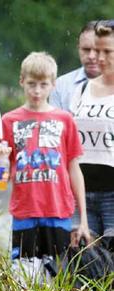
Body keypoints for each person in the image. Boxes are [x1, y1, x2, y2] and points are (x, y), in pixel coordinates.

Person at [2, 52, 90, 283]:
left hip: (58, 210)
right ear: (22, 81)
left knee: (57, 280)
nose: (37, 91)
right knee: (24, 280)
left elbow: (73, 168)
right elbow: (2, 176)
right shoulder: (9, 121)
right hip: (25, 211)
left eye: (43, 85)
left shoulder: (64, 120)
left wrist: (83, 220)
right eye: (31, 84)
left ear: (53, 84)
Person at [70, 20, 114, 251]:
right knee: (86, 261)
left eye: (108, 52)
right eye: (98, 51)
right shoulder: (81, 89)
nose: (100, 57)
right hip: (83, 192)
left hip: (112, 191)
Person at [50, 21, 100, 112]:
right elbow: (55, 123)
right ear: (78, 48)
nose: (91, 56)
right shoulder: (61, 85)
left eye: (98, 50)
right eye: (86, 49)